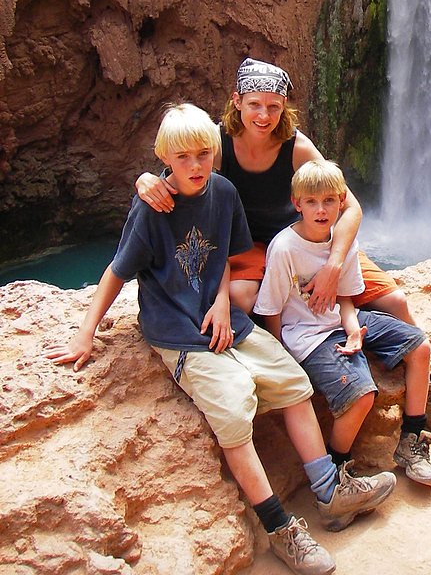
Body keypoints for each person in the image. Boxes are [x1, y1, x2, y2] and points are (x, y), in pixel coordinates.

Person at [46, 103, 395, 575]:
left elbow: (226, 259)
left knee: (293, 383)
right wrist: (85, 333)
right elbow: (116, 271)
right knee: (233, 408)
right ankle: (280, 528)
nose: (195, 165)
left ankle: (329, 491)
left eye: (204, 154)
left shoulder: (224, 192)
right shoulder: (152, 208)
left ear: (215, 151)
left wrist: (221, 302)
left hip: (226, 319)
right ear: (165, 158)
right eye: (183, 157)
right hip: (179, 333)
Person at [135, 58, 431, 439]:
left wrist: (333, 265)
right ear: (237, 101)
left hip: (305, 239)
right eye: (255, 104)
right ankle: (266, 363)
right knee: (241, 297)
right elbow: (179, 166)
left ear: (284, 107)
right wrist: (145, 180)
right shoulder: (217, 143)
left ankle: (429, 387)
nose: (263, 116)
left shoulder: (296, 147)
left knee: (396, 301)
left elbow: (351, 207)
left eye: (273, 106)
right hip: (249, 245)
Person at [257, 159, 431, 489]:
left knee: (420, 346)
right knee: (361, 396)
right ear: (297, 204)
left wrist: (353, 328)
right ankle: (338, 470)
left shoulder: (344, 242)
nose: (321, 210)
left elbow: (344, 298)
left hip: (341, 322)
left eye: (329, 200)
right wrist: (280, 354)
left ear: (342, 201)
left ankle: (412, 439)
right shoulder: (285, 248)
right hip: (308, 337)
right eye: (311, 201)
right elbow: (271, 308)